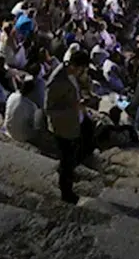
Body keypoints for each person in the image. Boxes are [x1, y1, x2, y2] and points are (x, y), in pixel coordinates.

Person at [45, 48, 92, 203]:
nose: (83, 72)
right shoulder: (57, 80)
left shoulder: (70, 74)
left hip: (75, 121)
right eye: (82, 69)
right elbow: (49, 109)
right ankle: (66, 192)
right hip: (64, 128)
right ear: (75, 66)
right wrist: (74, 107)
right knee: (67, 159)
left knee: (75, 153)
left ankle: (68, 173)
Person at [3, 77, 46, 147]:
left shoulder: (12, 96)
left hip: (9, 130)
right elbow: (33, 124)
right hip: (23, 136)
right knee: (41, 117)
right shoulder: (31, 106)